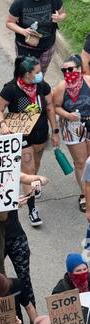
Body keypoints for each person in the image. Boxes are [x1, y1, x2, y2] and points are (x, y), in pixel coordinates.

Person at [0, 55, 60, 226]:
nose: (40, 75)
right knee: (29, 170)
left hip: (40, 134)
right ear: (26, 74)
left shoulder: (42, 86)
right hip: (22, 136)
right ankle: (32, 209)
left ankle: (32, 185)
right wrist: (2, 124)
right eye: (37, 72)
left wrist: (55, 131)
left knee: (35, 166)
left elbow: (51, 108)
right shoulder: (10, 89)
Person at [6, 0, 66, 75]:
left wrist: (59, 18)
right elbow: (9, 23)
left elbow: (63, 14)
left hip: (47, 46)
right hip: (26, 48)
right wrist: (23, 31)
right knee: (25, 75)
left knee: (40, 74)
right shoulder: (20, 3)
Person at [53, 54, 90, 212]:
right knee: (81, 162)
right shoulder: (62, 87)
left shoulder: (88, 81)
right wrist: (67, 115)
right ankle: (84, 195)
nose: (67, 73)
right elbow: (55, 106)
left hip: (89, 122)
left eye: (71, 69)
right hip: (71, 126)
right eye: (64, 70)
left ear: (80, 69)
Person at [5, 173, 48, 308]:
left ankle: (33, 318)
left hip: (16, 236)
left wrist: (39, 180)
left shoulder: (8, 171)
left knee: (25, 280)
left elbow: (38, 178)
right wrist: (10, 205)